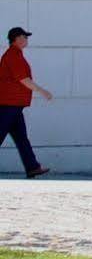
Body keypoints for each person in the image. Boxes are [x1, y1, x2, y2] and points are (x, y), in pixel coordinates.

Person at [1, 26, 52, 179]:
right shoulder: (13, 56)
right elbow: (24, 79)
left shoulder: (16, 54)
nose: (26, 40)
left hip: (14, 105)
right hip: (8, 105)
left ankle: (32, 167)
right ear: (16, 39)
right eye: (24, 37)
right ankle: (32, 167)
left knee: (21, 137)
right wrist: (43, 91)